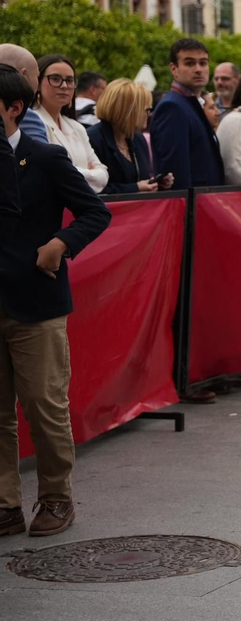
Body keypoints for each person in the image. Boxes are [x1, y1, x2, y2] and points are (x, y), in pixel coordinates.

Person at [0, 64, 110, 537]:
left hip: (36, 302)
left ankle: (55, 497)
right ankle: (5, 505)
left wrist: (60, 244)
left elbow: (94, 212)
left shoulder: (45, 158)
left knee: (45, 408)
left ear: (13, 109)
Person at [150, 39, 224, 190]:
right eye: (190, 63)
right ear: (174, 68)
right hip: (191, 206)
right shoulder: (172, 107)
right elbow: (176, 173)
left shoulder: (190, 103)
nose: (198, 69)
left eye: (203, 63)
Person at [32, 55, 108, 194]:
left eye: (69, 80)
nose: (64, 86)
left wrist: (72, 171)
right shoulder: (32, 124)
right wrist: (88, 172)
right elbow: (52, 173)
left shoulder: (77, 127)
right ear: (37, 83)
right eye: (55, 79)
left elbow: (103, 176)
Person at [88, 79, 169, 194]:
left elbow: (139, 180)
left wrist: (156, 184)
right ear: (128, 111)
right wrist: (135, 188)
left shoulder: (138, 139)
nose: (149, 113)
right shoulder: (93, 139)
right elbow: (91, 188)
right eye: (147, 109)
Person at [0, 44, 49, 144]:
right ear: (23, 76)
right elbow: (39, 158)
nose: (38, 84)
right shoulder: (28, 117)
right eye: (37, 77)